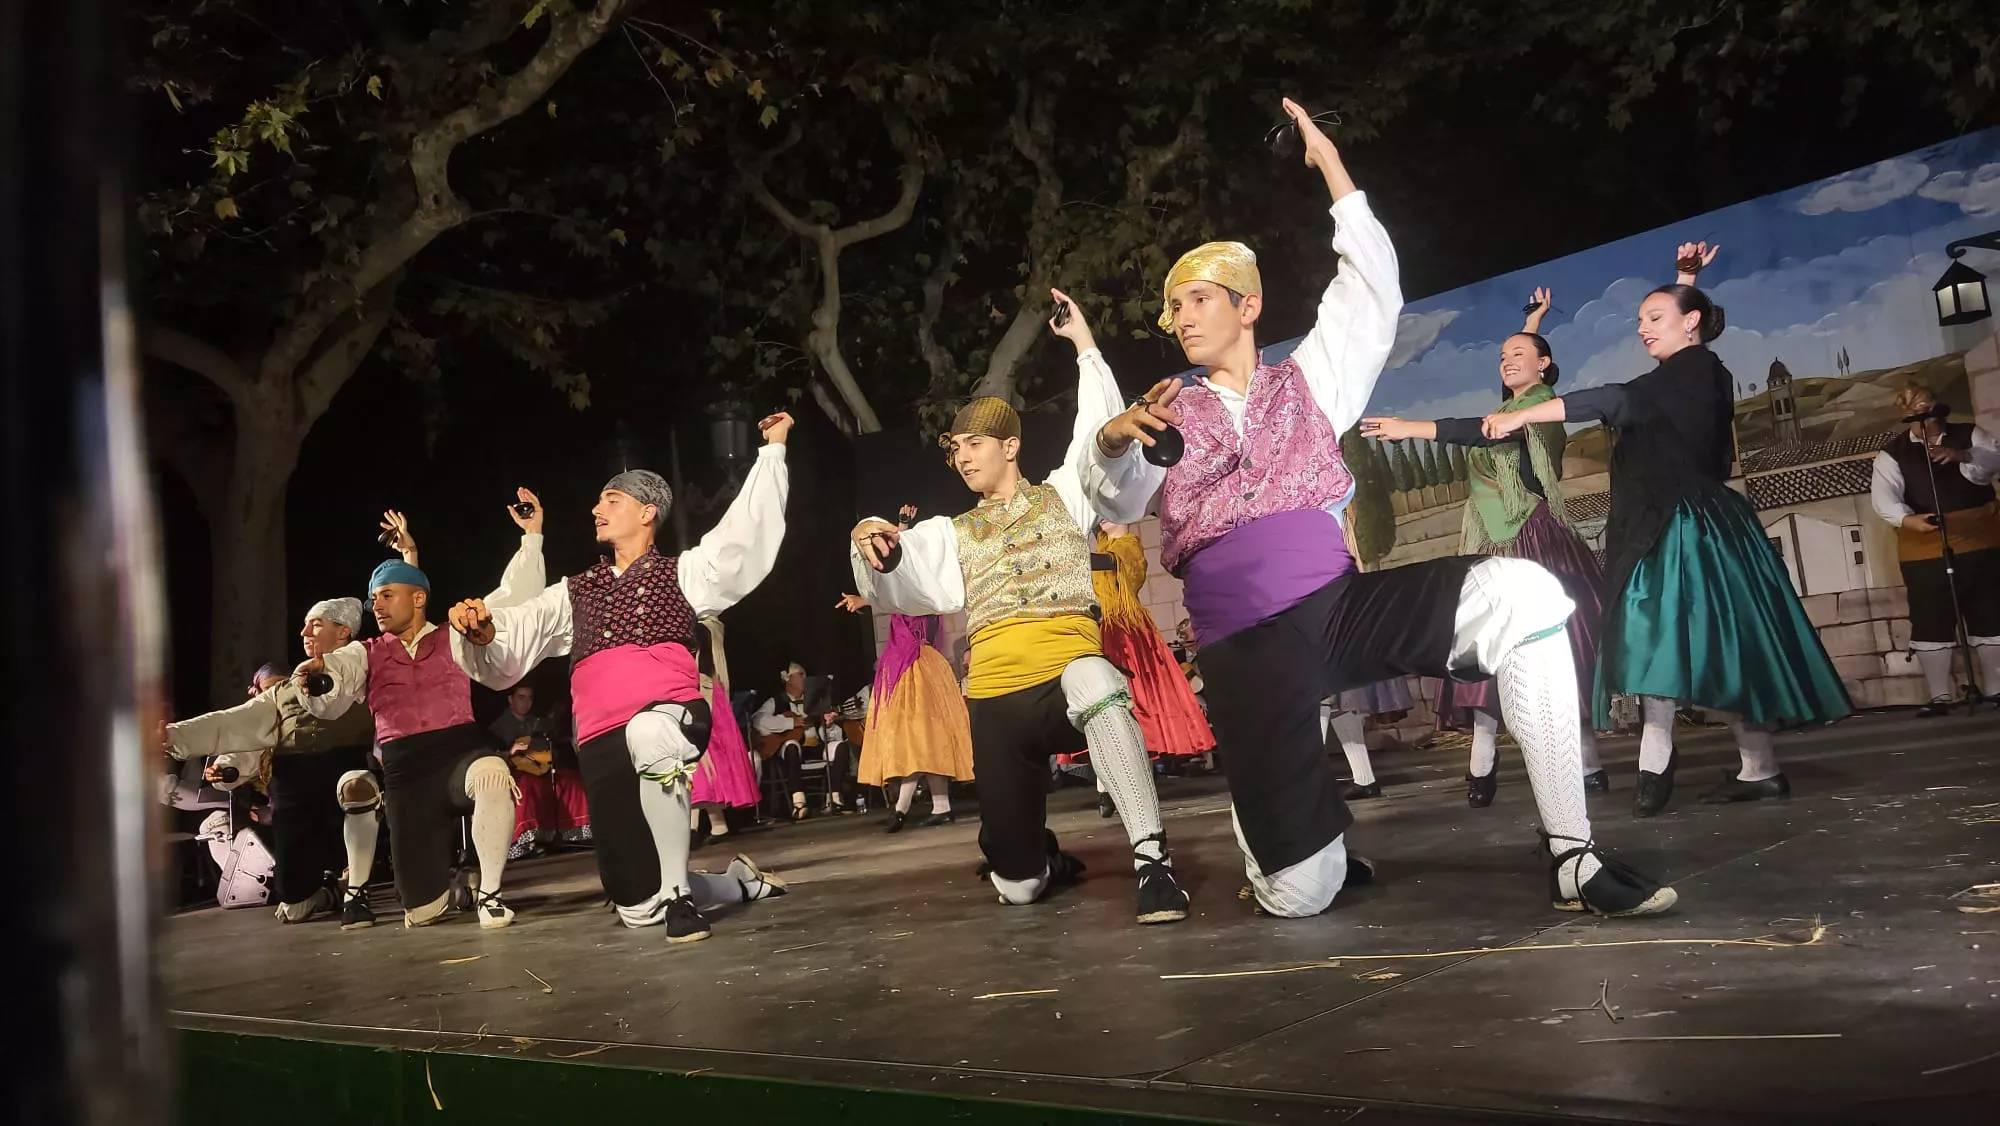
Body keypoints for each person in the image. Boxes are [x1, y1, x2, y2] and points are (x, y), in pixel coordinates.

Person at [1084, 98, 1674, 919]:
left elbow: (1371, 290)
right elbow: (1114, 500)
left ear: (1248, 306)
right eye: (1173, 306)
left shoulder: (1310, 381)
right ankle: (1283, 839)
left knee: (1528, 594)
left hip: (1339, 607)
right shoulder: (1164, 412)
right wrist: (1115, 440)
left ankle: (1572, 854)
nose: (1179, 317)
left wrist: (1330, 165)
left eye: (1198, 299)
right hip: (1248, 647)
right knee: (1300, 896)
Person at [849, 286, 1191, 925]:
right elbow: (906, 563)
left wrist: (1085, 348)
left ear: (1009, 445)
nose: (962, 456)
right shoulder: (954, 531)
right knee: (1018, 888)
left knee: (1095, 676)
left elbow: (1099, 441)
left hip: (1063, 682)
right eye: (954, 450)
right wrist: (879, 542)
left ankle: (1153, 860)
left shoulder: (1065, 495)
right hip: (998, 702)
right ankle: (1038, 858)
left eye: (973, 443)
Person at [1480, 244, 1850, 816]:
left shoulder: (1694, 371)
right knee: (1711, 642)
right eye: (1640, 322)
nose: (1644, 330)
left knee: (1666, 635)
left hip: (1683, 525)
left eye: (1655, 320)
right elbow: (1651, 381)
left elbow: (1617, 398)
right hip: (1685, 519)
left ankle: (1662, 758)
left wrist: (1522, 413)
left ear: (1692, 322)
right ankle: (1756, 768)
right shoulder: (1687, 374)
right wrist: (1683, 280)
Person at [447, 413, 797, 944]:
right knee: (635, 901)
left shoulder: (682, 572)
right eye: (599, 501)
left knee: (648, 734)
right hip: (599, 740)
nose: (596, 509)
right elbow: (515, 637)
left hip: (671, 717)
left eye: (612, 500)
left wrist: (772, 452)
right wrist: (483, 631)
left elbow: (745, 536)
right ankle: (733, 884)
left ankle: (681, 897)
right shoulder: (576, 591)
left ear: (648, 511)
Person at [1361, 287, 1611, 806]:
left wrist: (1412, 428)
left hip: (1535, 538)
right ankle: (1482, 763)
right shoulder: (1514, 406)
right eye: (1501, 357)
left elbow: (1484, 431)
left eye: (1518, 355)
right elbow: (1502, 407)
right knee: (1482, 649)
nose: (1506, 361)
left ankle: (1585, 763)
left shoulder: (1540, 408)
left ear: (1545, 366)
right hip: (1495, 544)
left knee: (1562, 648)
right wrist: (1534, 320)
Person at [167, 598, 385, 928]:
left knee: (355, 787)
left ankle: (356, 890)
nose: (304, 632)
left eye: (315, 624)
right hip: (294, 788)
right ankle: (329, 893)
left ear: (343, 632)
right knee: (293, 905)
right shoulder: (283, 690)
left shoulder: (367, 679)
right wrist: (174, 738)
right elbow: (236, 723)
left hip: (343, 777)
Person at [1869, 384, 2000, 711]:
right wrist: (1908, 520)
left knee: (1990, 612)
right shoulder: (1893, 454)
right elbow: (1884, 498)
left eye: (1931, 412)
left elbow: (1993, 460)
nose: (1927, 421)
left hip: (1979, 541)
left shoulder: (1969, 434)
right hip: (1925, 549)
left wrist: (1963, 455)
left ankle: (1996, 688)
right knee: (1932, 616)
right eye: (1919, 415)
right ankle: (1940, 694)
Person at [837, 565, 975, 833]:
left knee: (919, 739)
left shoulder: (922, 597)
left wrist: (864, 599)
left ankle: (901, 807)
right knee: (925, 739)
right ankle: (941, 805)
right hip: (906, 667)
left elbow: (898, 595)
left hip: (917, 668)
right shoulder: (913, 595)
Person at [1092, 521, 1217, 761]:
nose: (1103, 517)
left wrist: (1073, 556)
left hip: (1127, 629)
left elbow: (1114, 563)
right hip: (1104, 627)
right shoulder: (1101, 546)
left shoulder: (1129, 546)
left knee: (1137, 696)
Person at [491, 683, 592, 860]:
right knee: (528, 787)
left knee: (571, 781)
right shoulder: (498, 728)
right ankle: (529, 841)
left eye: (529, 698)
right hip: (516, 772)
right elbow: (494, 756)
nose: (526, 702)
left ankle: (573, 834)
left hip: (542, 768)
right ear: (510, 700)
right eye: (521, 697)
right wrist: (511, 751)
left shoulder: (536, 723)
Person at [690, 616, 762, 844]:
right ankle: (711, 825)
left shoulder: (703, 666)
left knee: (699, 766)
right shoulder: (708, 659)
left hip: (705, 704)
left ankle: (699, 828)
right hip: (708, 703)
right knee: (699, 770)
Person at [752, 663, 858, 817]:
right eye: (801, 675)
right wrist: (790, 723)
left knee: (841, 746)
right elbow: (757, 720)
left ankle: (834, 799)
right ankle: (799, 803)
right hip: (792, 751)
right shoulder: (776, 701)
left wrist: (828, 725)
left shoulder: (815, 702)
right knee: (791, 746)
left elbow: (825, 734)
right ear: (789, 679)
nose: (805, 679)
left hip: (814, 747)